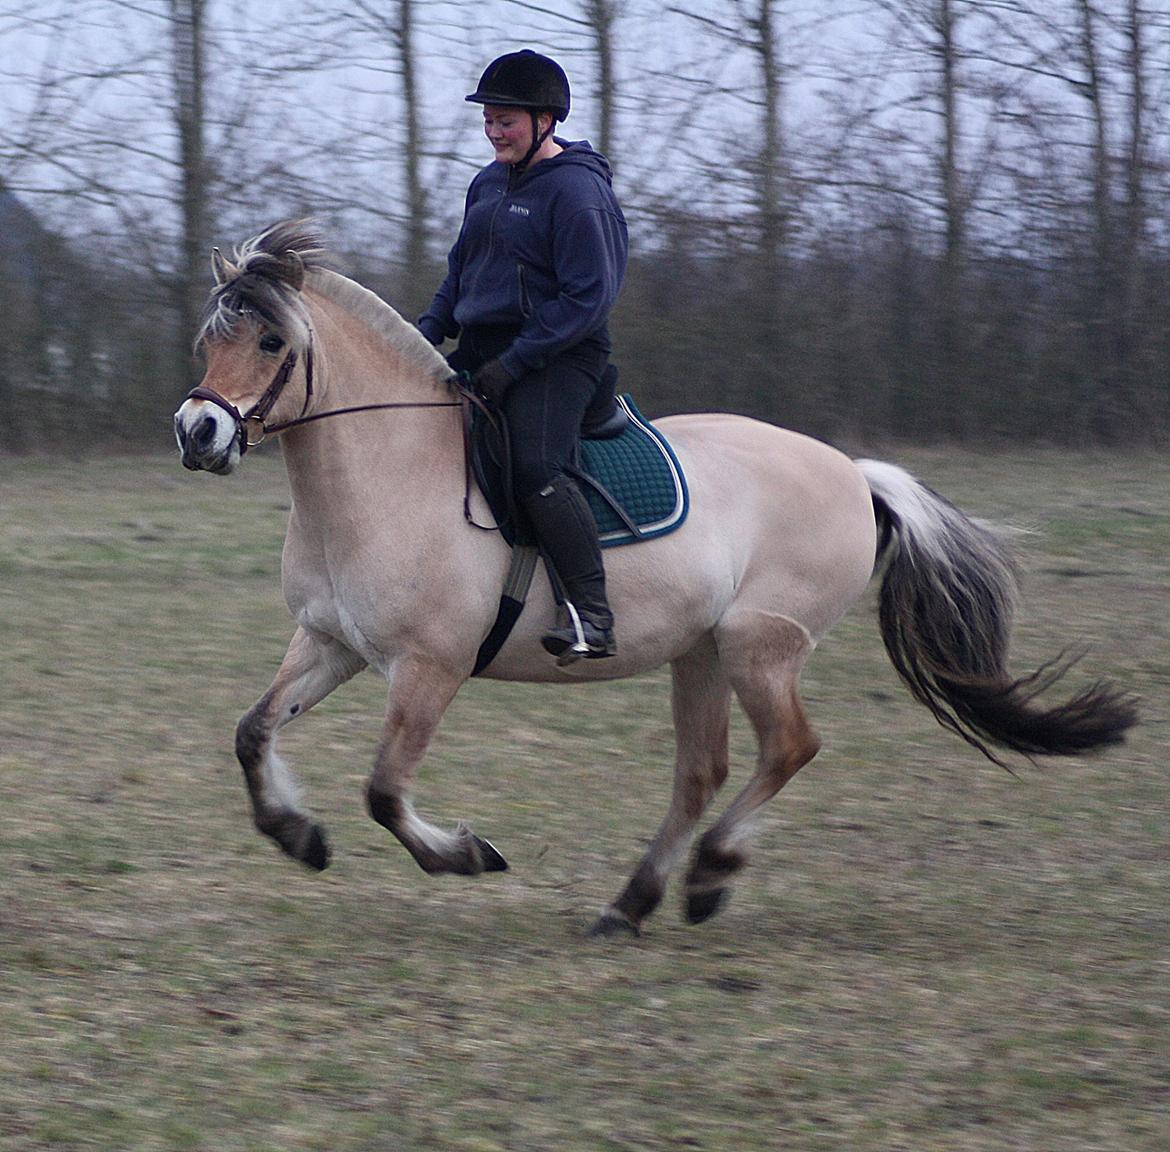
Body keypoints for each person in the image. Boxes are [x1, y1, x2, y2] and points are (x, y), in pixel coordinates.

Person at [418, 49, 628, 664]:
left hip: (562, 355)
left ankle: (592, 615)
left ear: (545, 120)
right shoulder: (486, 183)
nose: (493, 131)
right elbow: (461, 270)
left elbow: (590, 296)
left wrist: (519, 360)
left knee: (535, 466)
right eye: (488, 120)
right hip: (486, 350)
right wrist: (425, 331)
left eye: (505, 120)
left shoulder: (579, 193)